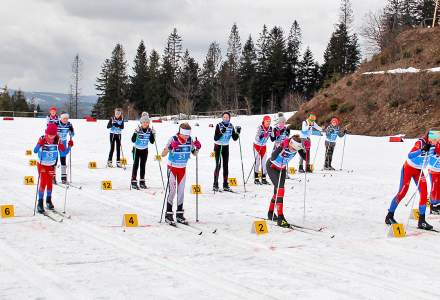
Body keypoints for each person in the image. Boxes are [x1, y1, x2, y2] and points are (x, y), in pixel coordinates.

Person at [385, 131, 434, 230]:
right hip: (408, 168)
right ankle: (389, 216)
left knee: (424, 193)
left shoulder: (435, 145)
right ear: (429, 136)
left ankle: (421, 221)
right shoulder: (420, 143)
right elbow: (410, 155)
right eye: (435, 136)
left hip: (418, 170)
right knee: (403, 192)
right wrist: (422, 150)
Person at [161, 123, 201, 225]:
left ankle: (179, 214)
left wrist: (197, 148)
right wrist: (170, 147)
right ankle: (168, 214)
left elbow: (194, 154)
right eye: (184, 135)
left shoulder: (189, 140)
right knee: (173, 191)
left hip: (182, 169)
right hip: (172, 168)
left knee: (181, 191)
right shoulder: (173, 139)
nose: (186, 137)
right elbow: (163, 154)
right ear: (180, 132)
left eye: (188, 135)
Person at [266, 135, 306, 227]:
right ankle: (280, 218)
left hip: (282, 168)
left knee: (278, 191)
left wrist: (306, 149)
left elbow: (305, 158)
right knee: (280, 189)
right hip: (272, 167)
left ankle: (270, 213)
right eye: (292, 148)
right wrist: (281, 148)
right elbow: (272, 158)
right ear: (290, 143)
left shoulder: (296, 147)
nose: (293, 150)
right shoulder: (283, 145)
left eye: (295, 149)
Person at [33, 123, 72, 213]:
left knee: (50, 182)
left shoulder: (58, 140)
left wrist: (69, 146)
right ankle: (40, 203)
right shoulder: (42, 138)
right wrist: (40, 145)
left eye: (53, 135)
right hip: (42, 165)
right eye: (49, 135)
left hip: (51, 165)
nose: (51, 137)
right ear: (46, 133)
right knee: (43, 182)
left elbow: (64, 152)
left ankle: (48, 200)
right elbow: (35, 150)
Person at [213, 112, 240, 192]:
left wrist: (238, 132)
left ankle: (225, 184)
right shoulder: (219, 125)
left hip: (226, 146)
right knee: (218, 165)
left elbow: (234, 138)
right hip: (218, 146)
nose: (225, 118)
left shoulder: (231, 126)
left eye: (227, 117)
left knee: (226, 166)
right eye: (224, 117)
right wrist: (221, 132)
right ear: (222, 118)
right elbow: (215, 138)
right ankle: (215, 184)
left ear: (229, 118)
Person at [131, 115, 155, 189]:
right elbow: (133, 140)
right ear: (141, 122)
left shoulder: (150, 130)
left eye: (147, 122)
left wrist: (153, 134)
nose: (145, 123)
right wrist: (135, 132)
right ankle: (133, 181)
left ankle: (142, 181)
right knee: (136, 165)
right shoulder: (138, 129)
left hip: (144, 150)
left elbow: (152, 142)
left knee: (143, 166)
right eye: (144, 122)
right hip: (136, 150)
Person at [253, 115, 273, 185]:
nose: (268, 123)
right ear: (264, 121)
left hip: (264, 146)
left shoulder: (270, 128)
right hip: (257, 146)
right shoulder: (260, 127)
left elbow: (272, 138)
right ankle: (256, 178)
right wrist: (262, 135)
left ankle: (264, 178)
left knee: (264, 163)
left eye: (269, 121)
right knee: (257, 162)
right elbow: (256, 138)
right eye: (267, 121)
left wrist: (277, 134)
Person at [56, 113, 74, 184]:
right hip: (55, 142)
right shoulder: (56, 123)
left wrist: (71, 132)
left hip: (63, 142)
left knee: (63, 159)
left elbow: (72, 134)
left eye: (67, 118)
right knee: (55, 160)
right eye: (64, 118)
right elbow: (51, 132)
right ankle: (53, 177)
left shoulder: (69, 124)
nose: (65, 120)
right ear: (61, 118)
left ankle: (63, 178)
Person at [428, 130, 440, 214]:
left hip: (438, 170)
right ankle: (433, 205)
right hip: (433, 170)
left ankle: (437, 204)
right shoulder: (433, 146)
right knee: (434, 187)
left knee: (438, 188)